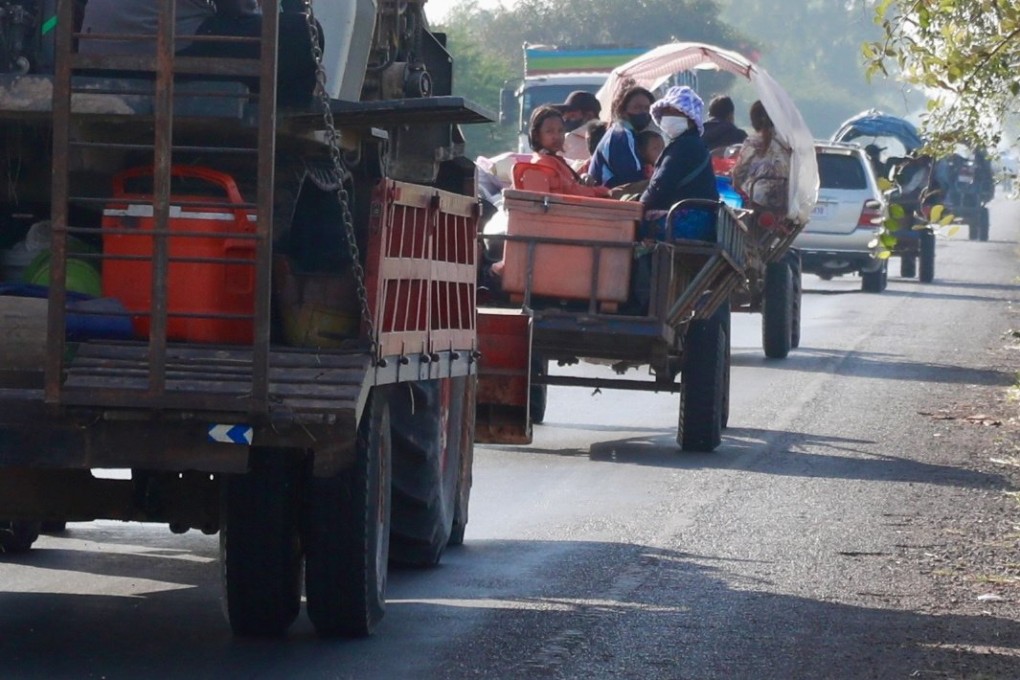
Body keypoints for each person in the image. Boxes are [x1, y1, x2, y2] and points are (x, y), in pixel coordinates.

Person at [80, 0, 320, 106]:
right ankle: (287, 107)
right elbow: (238, 11)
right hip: (160, 51)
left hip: (97, 57)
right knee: (304, 32)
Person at [522, 105, 611, 198]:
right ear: (536, 135)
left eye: (560, 131)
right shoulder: (543, 163)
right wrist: (607, 191)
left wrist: (583, 177)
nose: (556, 136)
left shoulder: (554, 160)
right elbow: (572, 192)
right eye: (549, 131)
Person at [587, 81, 656, 188]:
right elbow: (631, 178)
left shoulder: (625, 133)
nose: (643, 112)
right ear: (623, 111)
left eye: (647, 108)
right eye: (637, 108)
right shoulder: (621, 135)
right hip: (609, 199)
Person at [731, 100, 792, 215]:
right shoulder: (787, 143)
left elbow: (738, 173)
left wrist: (735, 183)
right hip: (784, 201)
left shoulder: (753, 142)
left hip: (757, 200)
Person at [552, 90, 603, 164]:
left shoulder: (567, 140)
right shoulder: (609, 137)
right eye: (565, 117)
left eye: (572, 116)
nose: (566, 121)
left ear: (589, 116)